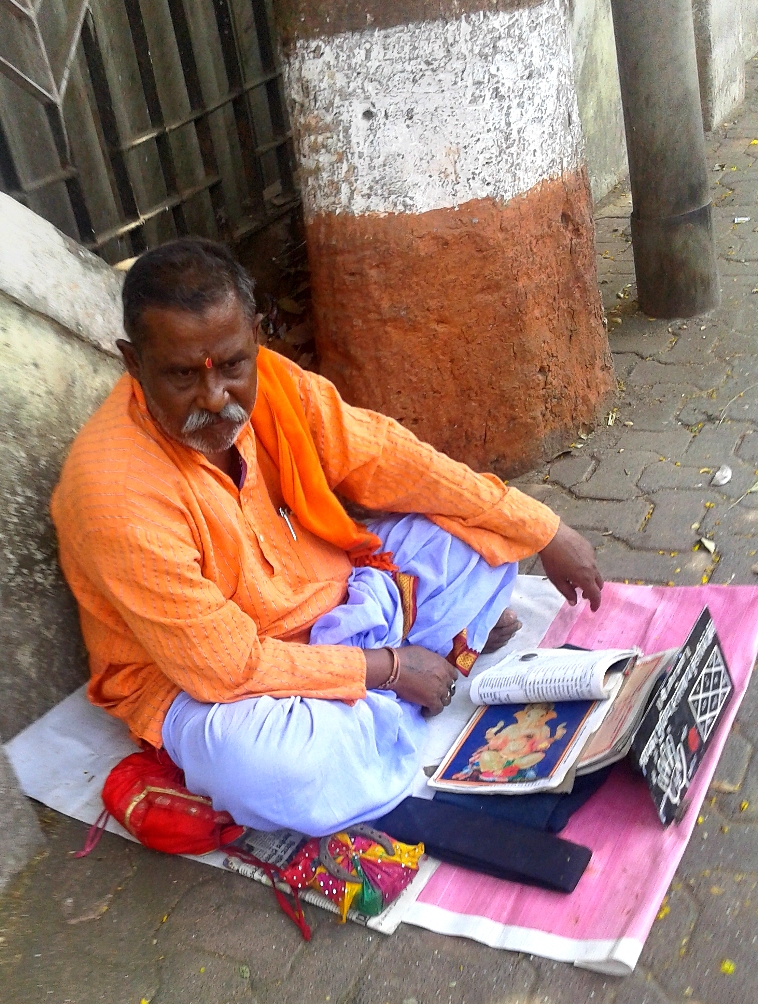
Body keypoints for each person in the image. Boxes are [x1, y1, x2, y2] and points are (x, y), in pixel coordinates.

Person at [51, 238, 603, 837]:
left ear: (255, 337)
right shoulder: (115, 494)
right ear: (133, 362)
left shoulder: (276, 385)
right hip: (218, 688)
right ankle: (407, 686)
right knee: (277, 769)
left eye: (233, 367)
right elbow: (227, 668)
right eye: (182, 375)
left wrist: (545, 529)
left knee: (483, 538)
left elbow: (395, 460)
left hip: (340, 604)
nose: (215, 399)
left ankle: (390, 698)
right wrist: (388, 667)